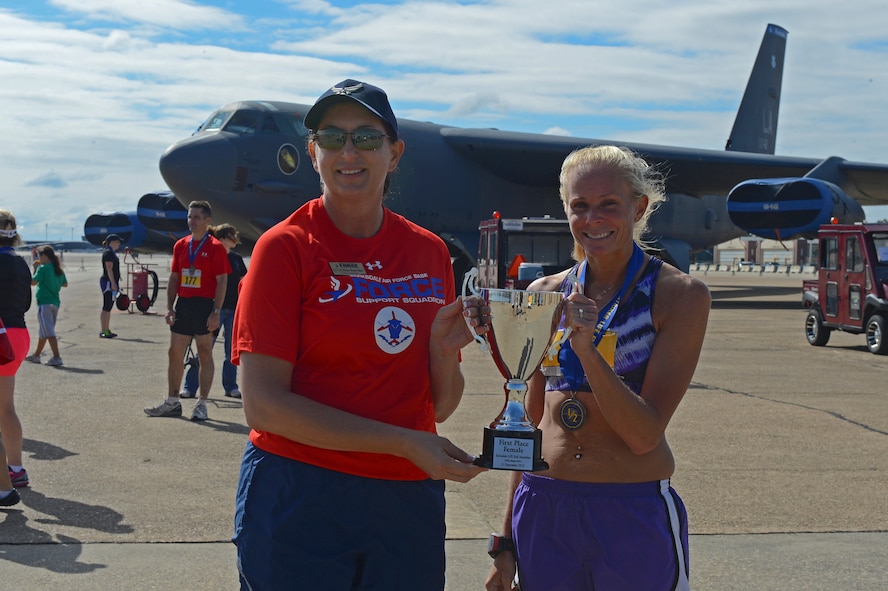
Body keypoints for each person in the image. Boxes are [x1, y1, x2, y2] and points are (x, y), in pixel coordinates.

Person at [231, 79, 489, 590]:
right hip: (300, 490)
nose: (349, 152)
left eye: (367, 138)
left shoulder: (428, 252)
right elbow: (264, 406)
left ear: (395, 154)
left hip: (405, 499)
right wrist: (404, 443)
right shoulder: (284, 249)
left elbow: (440, 407)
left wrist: (442, 352)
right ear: (314, 154)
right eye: (332, 138)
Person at [485, 146, 711, 591]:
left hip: (628, 511)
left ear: (638, 207)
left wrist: (587, 350)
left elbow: (644, 434)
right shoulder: (545, 293)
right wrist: (505, 541)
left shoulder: (679, 295)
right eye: (580, 206)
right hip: (543, 509)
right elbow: (531, 422)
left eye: (608, 204)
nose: (593, 219)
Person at [144, 201, 230, 421]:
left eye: (197, 217)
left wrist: (216, 311)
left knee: (204, 353)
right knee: (174, 352)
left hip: (205, 305)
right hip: (184, 304)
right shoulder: (181, 245)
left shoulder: (216, 247)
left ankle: (202, 403)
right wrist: (169, 307)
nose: (192, 221)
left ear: (207, 221)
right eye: (190, 217)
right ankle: (172, 401)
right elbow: (174, 278)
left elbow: (222, 281)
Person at [180, 223, 247, 399]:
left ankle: (231, 387)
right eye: (232, 236)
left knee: (231, 351)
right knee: (204, 349)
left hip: (233, 310)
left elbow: (244, 282)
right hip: (213, 310)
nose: (236, 239)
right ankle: (189, 387)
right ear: (223, 238)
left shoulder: (236, 259)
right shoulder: (211, 256)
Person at [0, 209, 33, 490]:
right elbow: (26, 304)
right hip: (18, 335)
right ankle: (15, 468)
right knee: (6, 408)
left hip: (1, 335)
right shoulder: (21, 263)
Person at [25, 245, 68, 366]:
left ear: (44, 256)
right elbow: (65, 284)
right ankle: (36, 355)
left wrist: (35, 269)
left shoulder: (43, 269)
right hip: (55, 302)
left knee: (49, 331)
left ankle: (57, 357)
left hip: (44, 302)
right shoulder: (57, 269)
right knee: (43, 330)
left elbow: (33, 282)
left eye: (39, 256)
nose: (38, 258)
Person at [99, 234, 122, 338]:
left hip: (111, 282)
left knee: (109, 307)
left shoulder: (112, 253)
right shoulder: (108, 253)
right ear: (112, 242)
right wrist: (113, 283)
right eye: (117, 242)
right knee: (106, 306)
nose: (119, 244)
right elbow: (109, 268)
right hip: (108, 282)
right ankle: (104, 330)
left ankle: (106, 329)